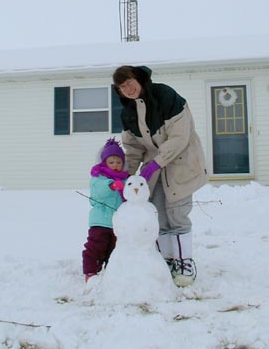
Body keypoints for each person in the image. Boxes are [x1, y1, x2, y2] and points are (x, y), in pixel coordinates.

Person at [112, 65, 208, 287]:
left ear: (139, 79)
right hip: (155, 169)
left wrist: (155, 163)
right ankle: (167, 261)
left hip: (181, 162)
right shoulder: (128, 112)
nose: (127, 89)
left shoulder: (165, 95)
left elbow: (179, 137)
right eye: (121, 87)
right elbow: (133, 148)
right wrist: (127, 176)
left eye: (129, 83)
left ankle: (184, 262)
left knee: (177, 215)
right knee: (159, 216)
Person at [82, 137, 130, 282]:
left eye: (118, 162)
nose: (115, 165)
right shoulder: (99, 177)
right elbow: (98, 192)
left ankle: (112, 270)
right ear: (104, 163)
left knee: (114, 248)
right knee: (96, 247)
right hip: (101, 221)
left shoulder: (125, 179)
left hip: (117, 223)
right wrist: (111, 186)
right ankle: (91, 271)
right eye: (111, 162)